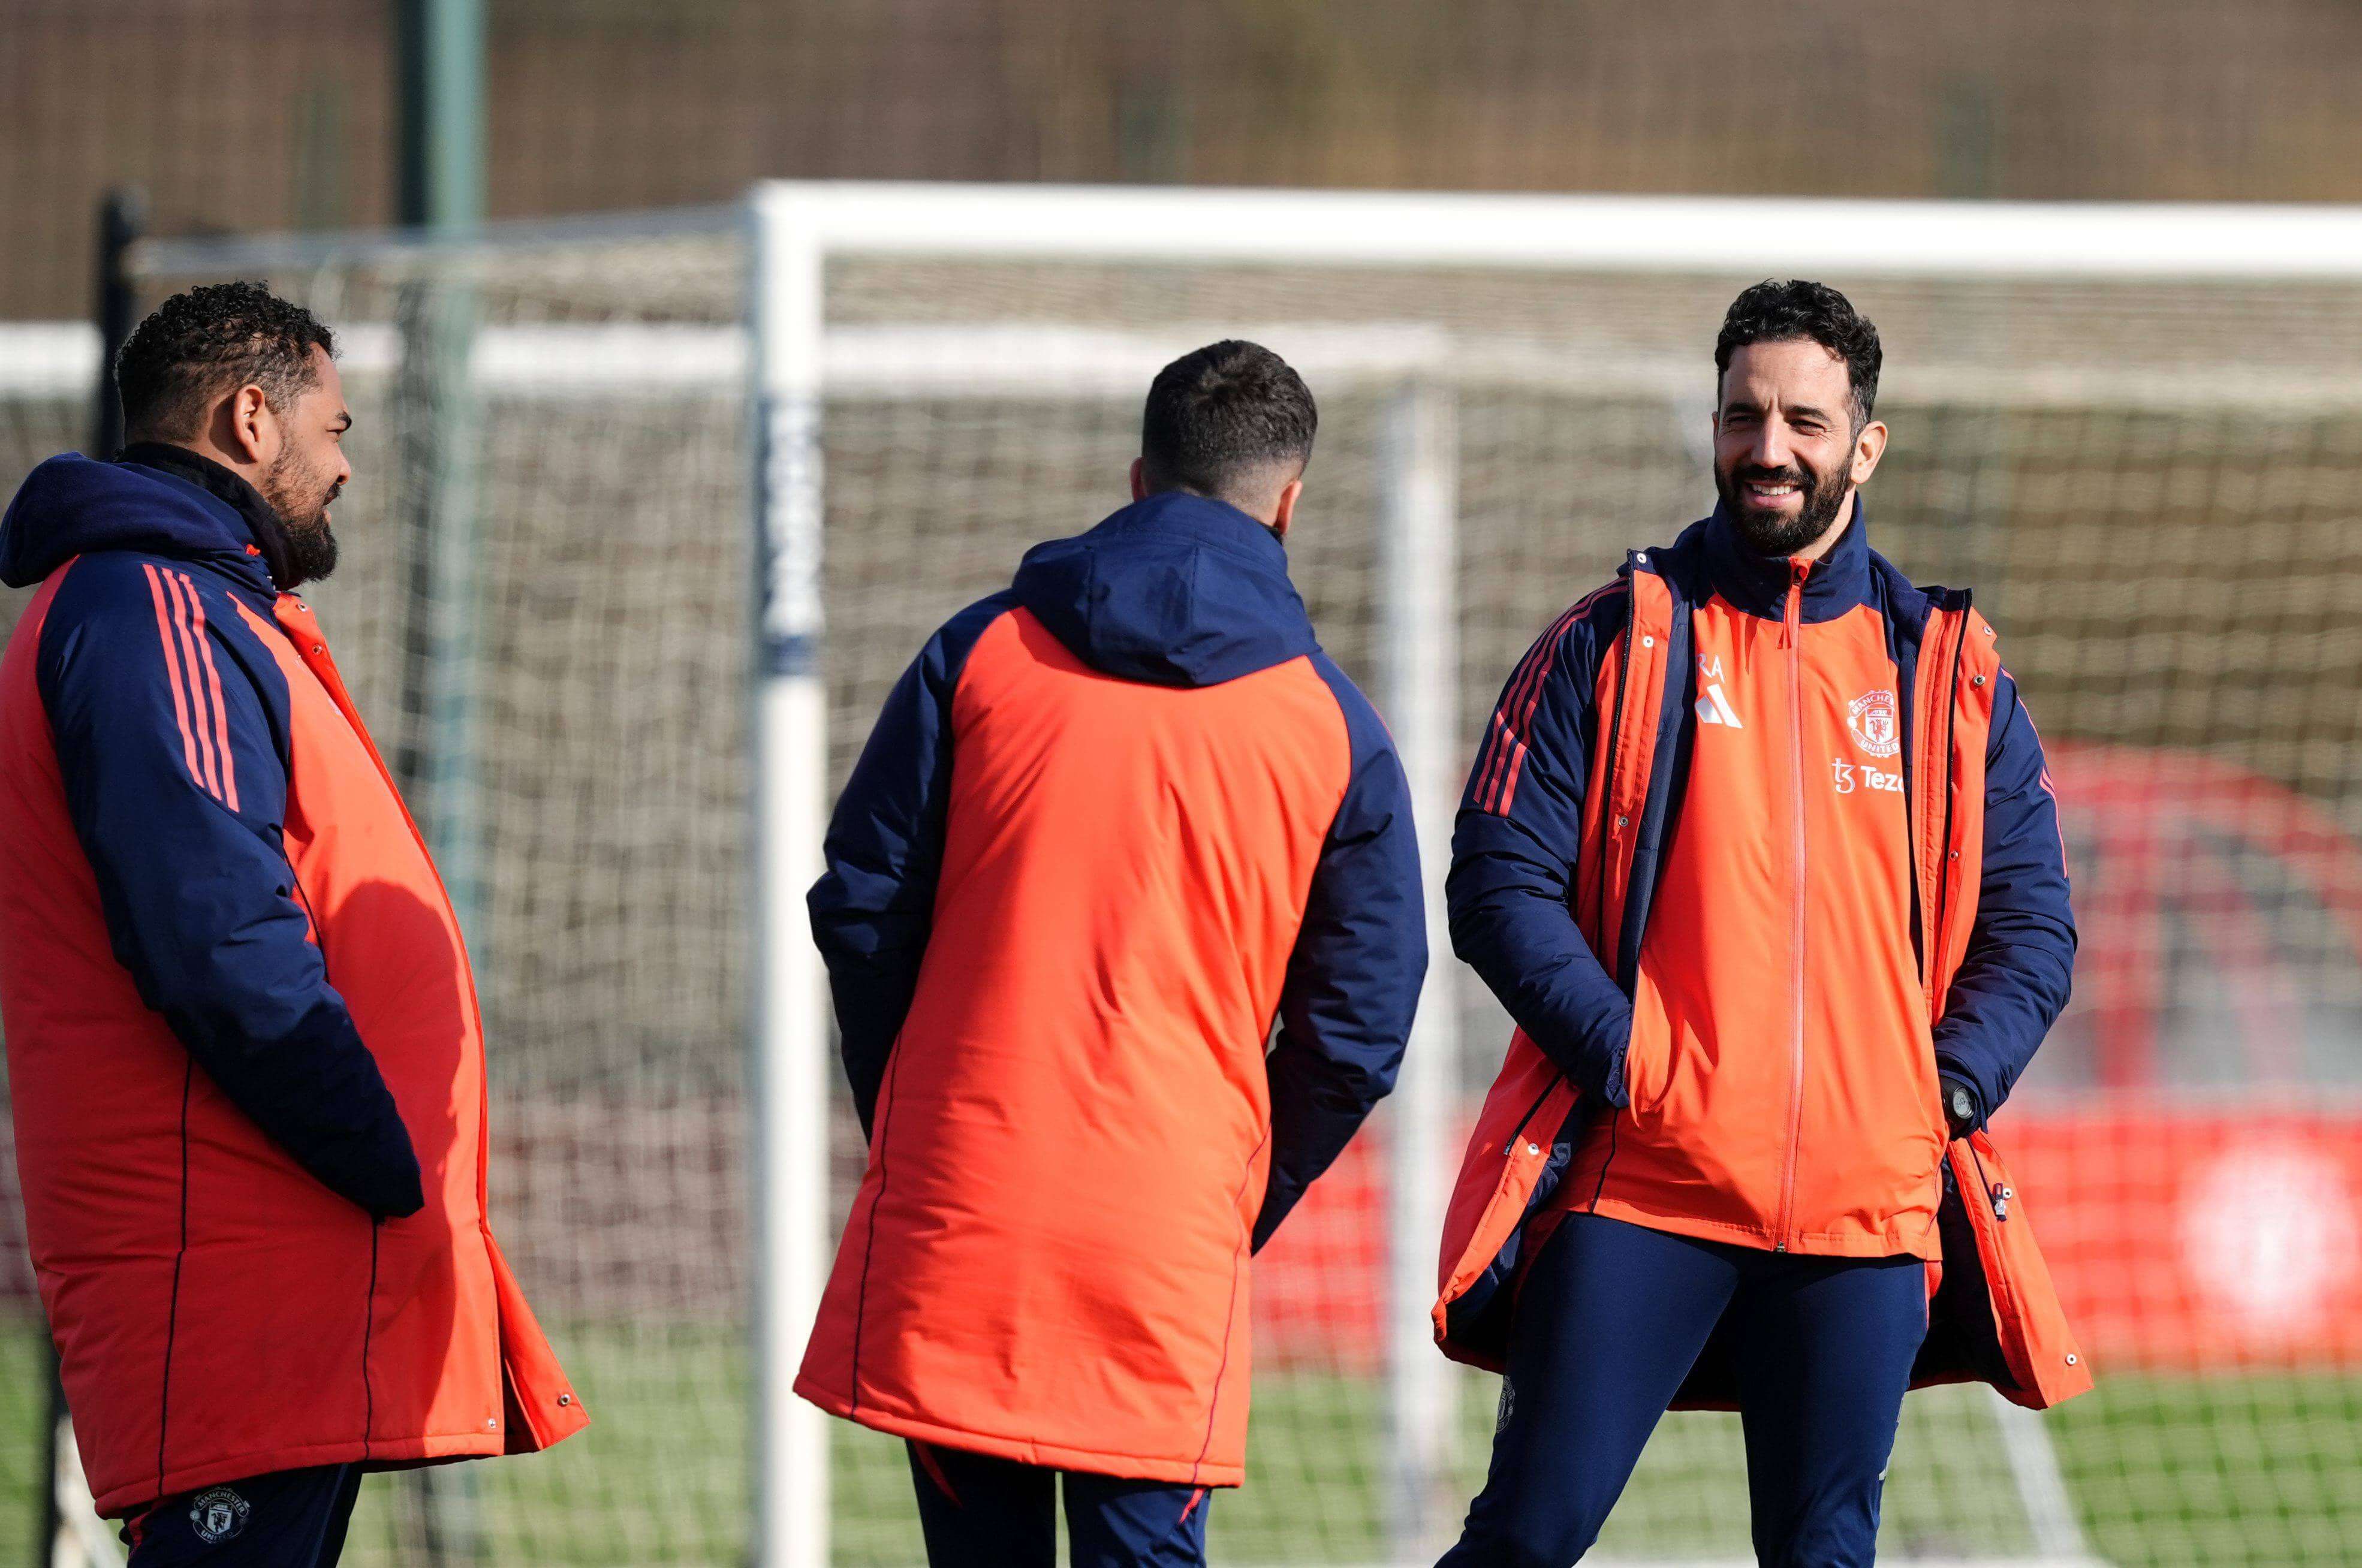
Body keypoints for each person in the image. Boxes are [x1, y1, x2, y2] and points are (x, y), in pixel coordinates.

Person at [1431, 281, 2088, 1567]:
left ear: (1864, 443)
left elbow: (2032, 927)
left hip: (1865, 1214)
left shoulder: (1944, 671)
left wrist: (1935, 1092)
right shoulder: (1615, 640)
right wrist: (1634, 1065)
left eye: (1800, 419)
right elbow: (1493, 878)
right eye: (1741, 417)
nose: (1767, 448)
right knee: (1526, 1535)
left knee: (1823, 1554)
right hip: (1649, 1188)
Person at [798, 340, 1426, 1568]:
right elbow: (1358, 1027)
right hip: (1164, 1230)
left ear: (1137, 478)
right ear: (1288, 502)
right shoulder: (1332, 729)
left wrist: (914, 1116)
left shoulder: (977, 652)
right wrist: (1246, 1189)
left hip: (965, 1200)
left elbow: (861, 907)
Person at [0, 282, 586, 1566]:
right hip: (236, 1268)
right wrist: (380, 1154)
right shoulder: (147, 607)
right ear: (249, 417)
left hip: (270, 1267)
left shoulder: (195, 605)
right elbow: (215, 938)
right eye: (334, 427)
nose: (345, 466)